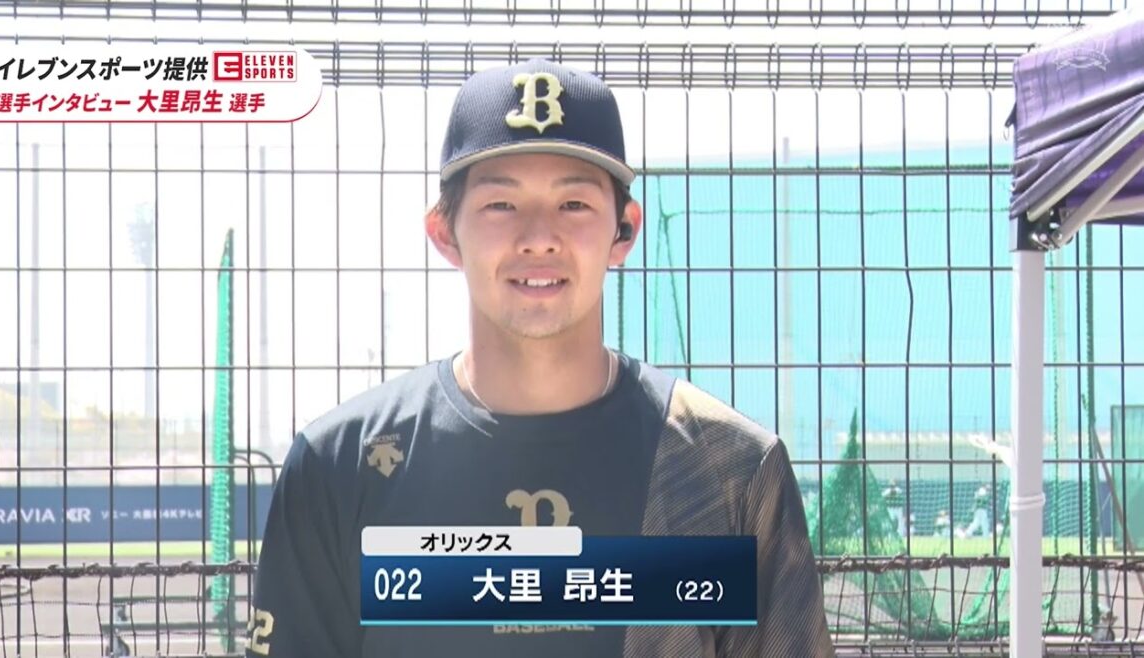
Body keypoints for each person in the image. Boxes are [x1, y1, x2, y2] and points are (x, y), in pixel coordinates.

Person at [246, 58, 833, 658]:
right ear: (445, 232)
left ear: (624, 230)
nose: (538, 238)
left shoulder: (727, 468)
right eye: (501, 205)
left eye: (573, 204)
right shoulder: (340, 466)